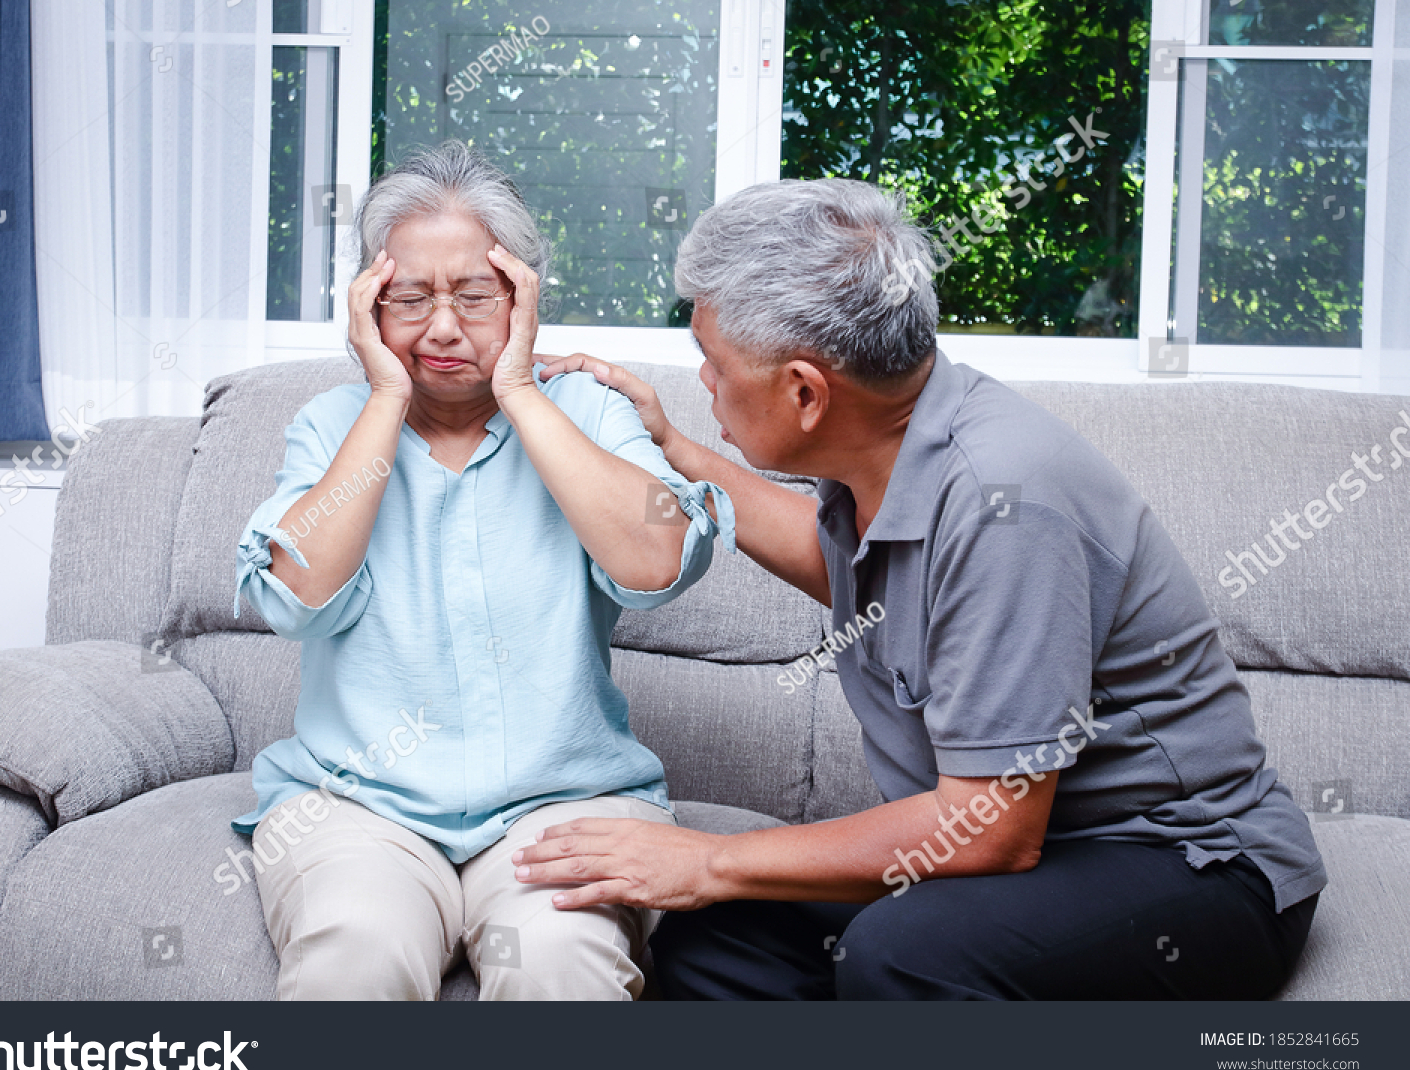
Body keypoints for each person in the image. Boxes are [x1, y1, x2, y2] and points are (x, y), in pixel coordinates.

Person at [516, 177, 1327, 999]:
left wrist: (709, 858)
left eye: (716, 366)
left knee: (903, 950)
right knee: (718, 938)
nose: (705, 381)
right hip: (1043, 853)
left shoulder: (1003, 500)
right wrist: (676, 447)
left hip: (1184, 864)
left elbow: (995, 828)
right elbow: (842, 562)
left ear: (805, 392)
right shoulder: (888, 443)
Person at [228, 141, 733, 1001]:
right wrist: (386, 400)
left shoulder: (584, 407)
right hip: (362, 807)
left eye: (475, 295)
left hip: (561, 801)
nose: (444, 327)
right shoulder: (331, 423)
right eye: (410, 299)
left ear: (523, 298)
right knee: (355, 948)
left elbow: (657, 560)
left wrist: (522, 393)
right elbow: (296, 599)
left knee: (558, 962)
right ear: (367, 309)